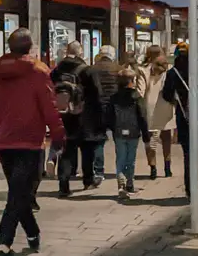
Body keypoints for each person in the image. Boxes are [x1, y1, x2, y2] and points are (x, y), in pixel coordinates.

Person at [0, 28, 65, 256]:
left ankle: (32, 234)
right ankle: (3, 244)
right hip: (30, 141)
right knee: (20, 193)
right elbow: (49, 107)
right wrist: (58, 134)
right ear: (30, 47)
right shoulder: (38, 72)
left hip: (4, 142)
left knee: (20, 192)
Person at [162, 43, 198, 198]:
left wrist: (177, 100)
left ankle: (190, 190)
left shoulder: (173, 73)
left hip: (185, 118)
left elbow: (167, 95)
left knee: (189, 155)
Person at [51, 41, 102, 197]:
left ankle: (63, 185)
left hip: (64, 114)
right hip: (84, 115)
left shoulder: (57, 70)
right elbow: (97, 92)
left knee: (66, 151)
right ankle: (88, 180)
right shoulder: (86, 70)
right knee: (87, 149)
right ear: (80, 53)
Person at [108, 68, 150, 198]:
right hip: (133, 131)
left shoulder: (114, 97)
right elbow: (142, 116)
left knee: (120, 157)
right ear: (132, 81)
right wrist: (146, 136)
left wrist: (112, 128)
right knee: (130, 158)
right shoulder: (137, 97)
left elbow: (109, 116)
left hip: (119, 131)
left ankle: (121, 181)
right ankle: (130, 183)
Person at [139, 45, 175, 180]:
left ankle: (153, 168)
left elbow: (141, 91)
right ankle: (167, 167)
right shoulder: (169, 69)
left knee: (151, 140)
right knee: (166, 139)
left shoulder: (143, 70)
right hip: (166, 105)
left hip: (150, 106)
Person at [91, 45, 121, 180]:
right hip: (115, 108)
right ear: (112, 55)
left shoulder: (92, 69)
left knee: (99, 140)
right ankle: (121, 169)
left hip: (97, 107)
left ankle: (98, 171)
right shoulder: (118, 69)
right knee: (119, 140)